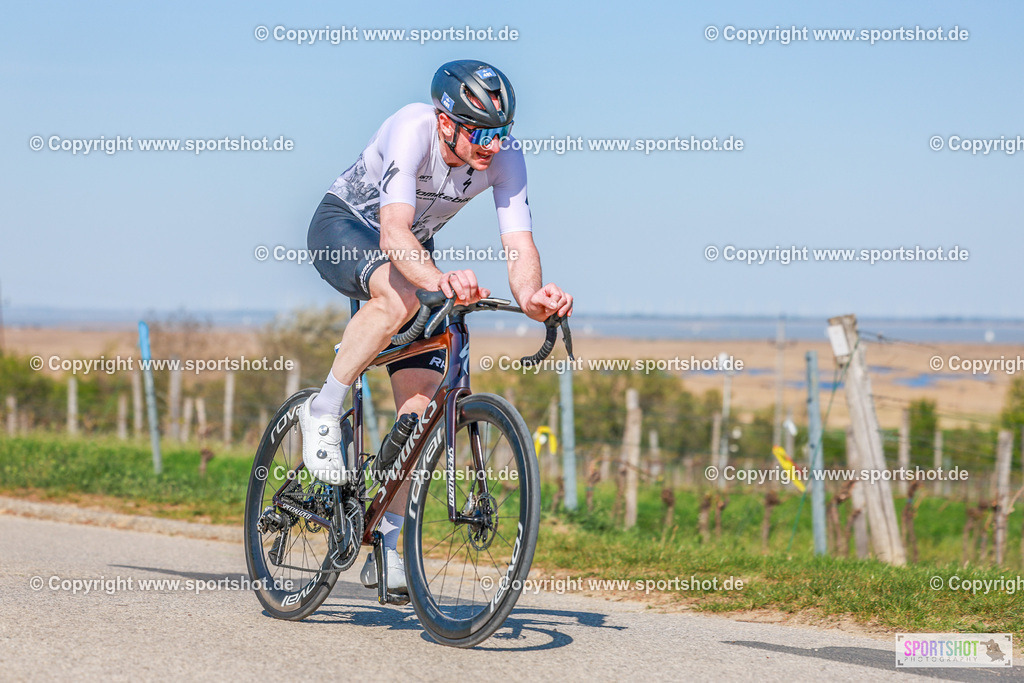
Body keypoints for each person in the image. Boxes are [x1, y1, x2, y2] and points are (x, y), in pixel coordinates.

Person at [300, 60, 573, 593]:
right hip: (348, 225)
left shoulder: (504, 156)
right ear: (445, 120)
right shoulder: (412, 127)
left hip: (412, 250)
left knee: (420, 405)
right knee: (401, 297)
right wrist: (439, 279)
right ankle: (324, 408)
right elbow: (394, 228)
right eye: (478, 133)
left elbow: (519, 246)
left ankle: (389, 537)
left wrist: (533, 298)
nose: (491, 145)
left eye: (500, 133)